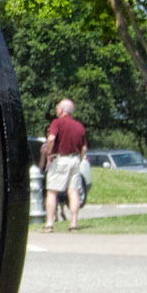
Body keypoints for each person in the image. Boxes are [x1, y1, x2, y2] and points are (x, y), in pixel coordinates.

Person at [41, 97, 89, 232]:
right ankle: (73, 223)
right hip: (75, 160)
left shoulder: (57, 123)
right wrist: (79, 158)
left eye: (57, 108)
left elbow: (51, 138)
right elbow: (84, 148)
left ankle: (49, 223)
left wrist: (49, 152)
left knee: (52, 191)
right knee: (73, 191)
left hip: (60, 158)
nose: (56, 110)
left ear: (62, 110)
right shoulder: (79, 126)